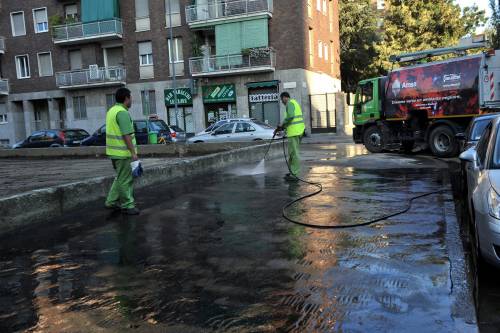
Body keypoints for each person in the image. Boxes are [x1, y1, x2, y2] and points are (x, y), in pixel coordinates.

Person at [104, 87, 140, 215]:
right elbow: (126, 135)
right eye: (130, 97)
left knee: (120, 178)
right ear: (126, 98)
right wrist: (133, 153)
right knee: (126, 180)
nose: (132, 100)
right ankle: (128, 205)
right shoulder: (123, 113)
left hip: (113, 153)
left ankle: (111, 201)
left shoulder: (111, 111)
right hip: (123, 154)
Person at [275, 92, 306, 181]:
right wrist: (283, 127)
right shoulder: (294, 103)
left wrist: (282, 124)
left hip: (295, 132)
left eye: (281, 99)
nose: (282, 102)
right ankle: (292, 171)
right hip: (297, 131)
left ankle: (294, 174)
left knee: (294, 153)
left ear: (285, 98)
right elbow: (291, 120)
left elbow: (291, 116)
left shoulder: (290, 103)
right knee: (292, 153)